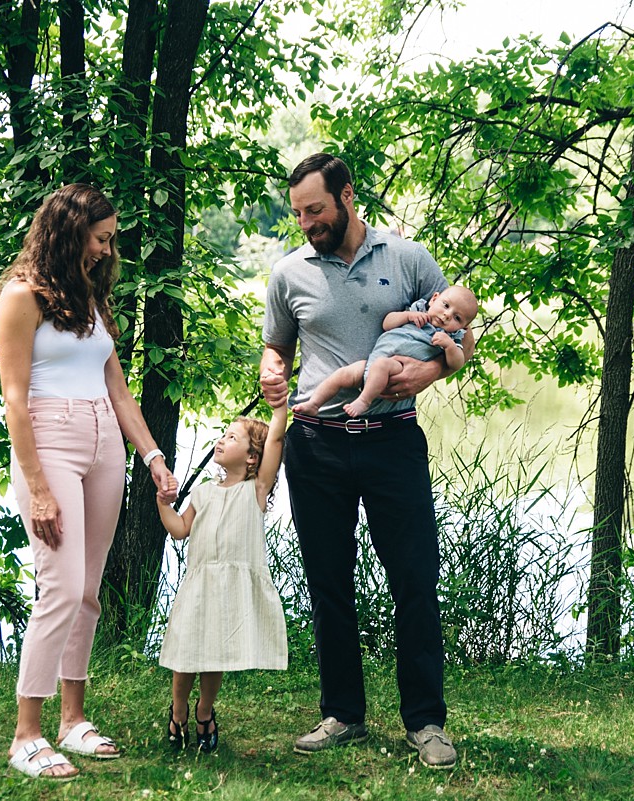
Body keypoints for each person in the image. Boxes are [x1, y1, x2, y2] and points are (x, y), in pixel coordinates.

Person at [259, 153, 474, 770]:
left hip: (392, 440)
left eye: (316, 209)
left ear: (347, 196)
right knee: (328, 581)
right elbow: (276, 350)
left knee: (414, 578)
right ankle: (343, 714)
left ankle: (426, 723)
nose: (306, 222)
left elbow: (461, 331)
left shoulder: (407, 258)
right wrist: (275, 374)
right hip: (317, 443)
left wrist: (430, 371)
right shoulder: (288, 273)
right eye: (299, 212)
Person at [0, 183, 178, 782]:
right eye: (101, 238)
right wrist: (39, 487)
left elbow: (119, 393)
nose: (107, 249)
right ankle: (27, 734)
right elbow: (15, 402)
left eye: (110, 239)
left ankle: (73, 720)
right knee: (61, 588)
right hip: (50, 443)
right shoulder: (22, 296)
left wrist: (151, 456)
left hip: (104, 445)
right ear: (70, 231)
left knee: (90, 590)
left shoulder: (92, 302)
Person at [155, 404, 288, 754]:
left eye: (232, 437)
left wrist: (280, 409)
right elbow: (180, 530)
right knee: (186, 652)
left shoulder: (256, 490)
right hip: (199, 585)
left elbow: (276, 441)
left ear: (251, 458)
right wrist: (163, 505)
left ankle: (204, 710)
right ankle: (179, 708)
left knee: (215, 654)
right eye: (223, 434)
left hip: (229, 590)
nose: (222, 439)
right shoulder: (202, 492)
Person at [291, 285, 478, 419]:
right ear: (434, 298)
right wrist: (407, 316)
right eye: (446, 306)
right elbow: (387, 323)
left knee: (382, 364)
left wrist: (449, 346)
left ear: (464, 326)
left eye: (457, 317)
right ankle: (314, 404)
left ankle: (364, 400)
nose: (447, 315)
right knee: (343, 374)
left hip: (397, 368)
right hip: (371, 364)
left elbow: (457, 363)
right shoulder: (416, 312)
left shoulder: (450, 337)